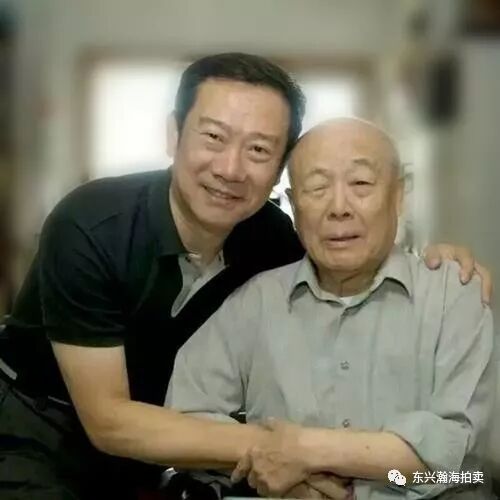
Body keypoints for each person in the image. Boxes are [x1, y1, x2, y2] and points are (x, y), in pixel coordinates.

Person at [0, 53, 492, 500]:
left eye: (258, 149)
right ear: (174, 135)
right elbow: (118, 422)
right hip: (46, 421)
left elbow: (461, 471)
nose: (231, 168)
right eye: (214, 137)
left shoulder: (444, 295)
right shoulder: (94, 224)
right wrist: (284, 468)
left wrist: (331, 467)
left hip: (418, 489)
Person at [166, 118, 496, 499]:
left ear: (399, 195)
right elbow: (183, 421)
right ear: (294, 206)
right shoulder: (255, 302)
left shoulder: (454, 296)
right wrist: (273, 471)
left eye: (361, 184)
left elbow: (461, 462)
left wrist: (308, 451)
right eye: (317, 188)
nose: (339, 208)